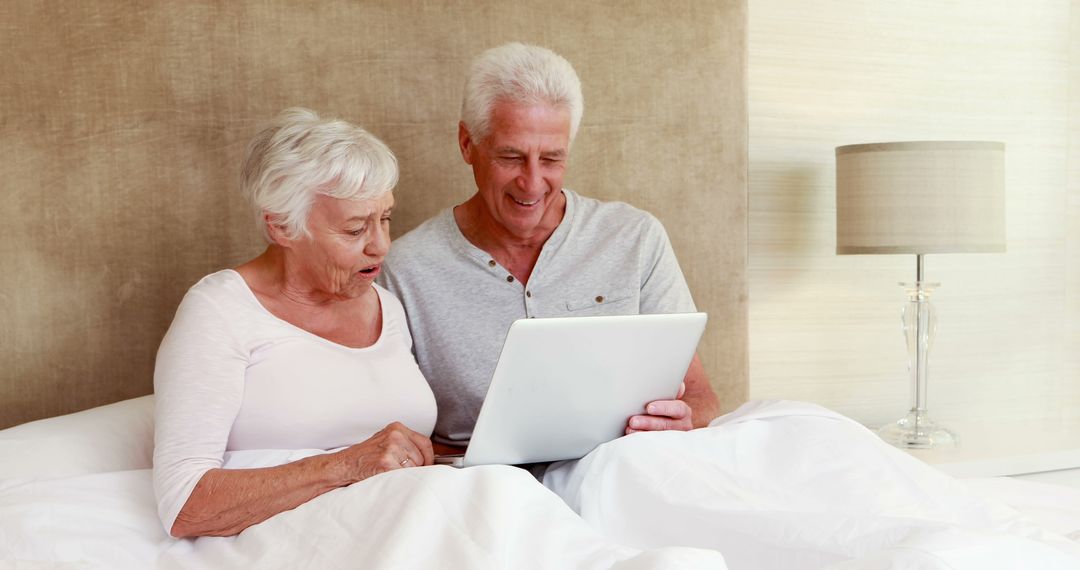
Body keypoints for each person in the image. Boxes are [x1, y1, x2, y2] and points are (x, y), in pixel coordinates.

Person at [379, 42, 720, 452]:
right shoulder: (404, 269)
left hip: (621, 470)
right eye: (511, 157)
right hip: (481, 489)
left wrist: (683, 420)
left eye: (552, 159)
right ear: (468, 144)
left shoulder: (635, 238)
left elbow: (702, 401)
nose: (532, 182)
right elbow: (392, 434)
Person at [152, 108, 438, 538]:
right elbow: (184, 505)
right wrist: (347, 464)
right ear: (282, 227)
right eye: (356, 228)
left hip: (405, 521)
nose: (380, 246)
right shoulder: (219, 313)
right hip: (298, 541)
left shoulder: (386, 306)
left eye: (385, 219)